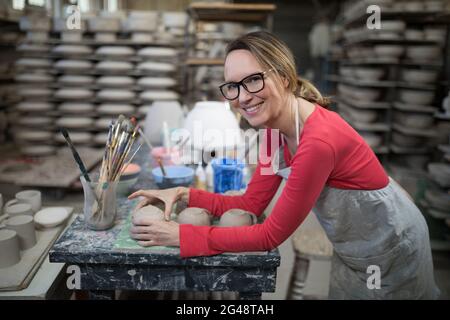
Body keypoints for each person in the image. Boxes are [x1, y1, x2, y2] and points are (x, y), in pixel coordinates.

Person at [128, 31, 440, 299]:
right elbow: (251, 202)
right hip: (353, 247)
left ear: (284, 77)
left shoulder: (317, 141)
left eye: (253, 80)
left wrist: (181, 236)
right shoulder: (269, 135)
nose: (242, 97)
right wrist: (183, 194)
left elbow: (268, 236)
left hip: (392, 243)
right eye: (232, 86)